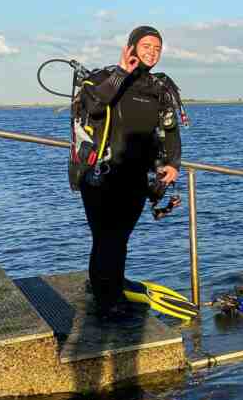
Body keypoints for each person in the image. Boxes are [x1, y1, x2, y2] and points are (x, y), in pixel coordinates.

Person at [78, 25, 182, 316]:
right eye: (146, 45)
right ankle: (105, 299)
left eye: (157, 48)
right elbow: (96, 106)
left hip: (136, 176)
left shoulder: (158, 88)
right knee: (105, 237)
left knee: (121, 236)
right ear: (132, 46)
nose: (152, 52)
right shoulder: (103, 78)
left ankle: (112, 283)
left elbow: (171, 130)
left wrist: (173, 164)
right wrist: (122, 72)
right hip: (101, 173)